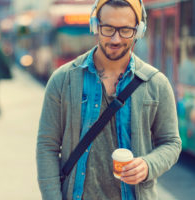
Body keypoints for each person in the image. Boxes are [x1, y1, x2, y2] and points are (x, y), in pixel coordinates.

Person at [36, 0, 182, 200]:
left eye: (125, 30)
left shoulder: (156, 83)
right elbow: (47, 145)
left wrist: (149, 165)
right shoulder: (63, 79)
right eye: (108, 28)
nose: (115, 39)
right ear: (95, 26)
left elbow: (171, 142)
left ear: (138, 31)